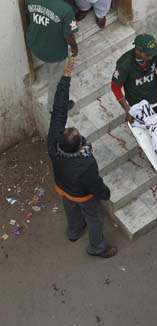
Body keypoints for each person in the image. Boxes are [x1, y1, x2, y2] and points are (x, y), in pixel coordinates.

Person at [47, 58, 117, 258]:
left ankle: (74, 231)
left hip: (62, 186)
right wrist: (104, 194)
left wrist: (66, 77)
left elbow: (59, 110)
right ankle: (97, 247)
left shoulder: (54, 142)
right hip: (81, 194)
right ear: (79, 145)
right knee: (94, 218)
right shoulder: (85, 163)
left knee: (69, 207)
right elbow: (95, 184)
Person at [26, 0, 79, 114]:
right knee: (57, 79)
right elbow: (69, 35)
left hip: (34, 43)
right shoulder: (66, 10)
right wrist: (74, 46)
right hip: (53, 52)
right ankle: (53, 106)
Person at [111, 34, 157, 123]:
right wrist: (128, 110)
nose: (151, 57)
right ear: (138, 51)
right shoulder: (124, 64)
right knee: (145, 123)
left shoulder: (155, 54)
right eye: (148, 54)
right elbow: (115, 87)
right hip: (137, 99)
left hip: (155, 90)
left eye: (152, 53)